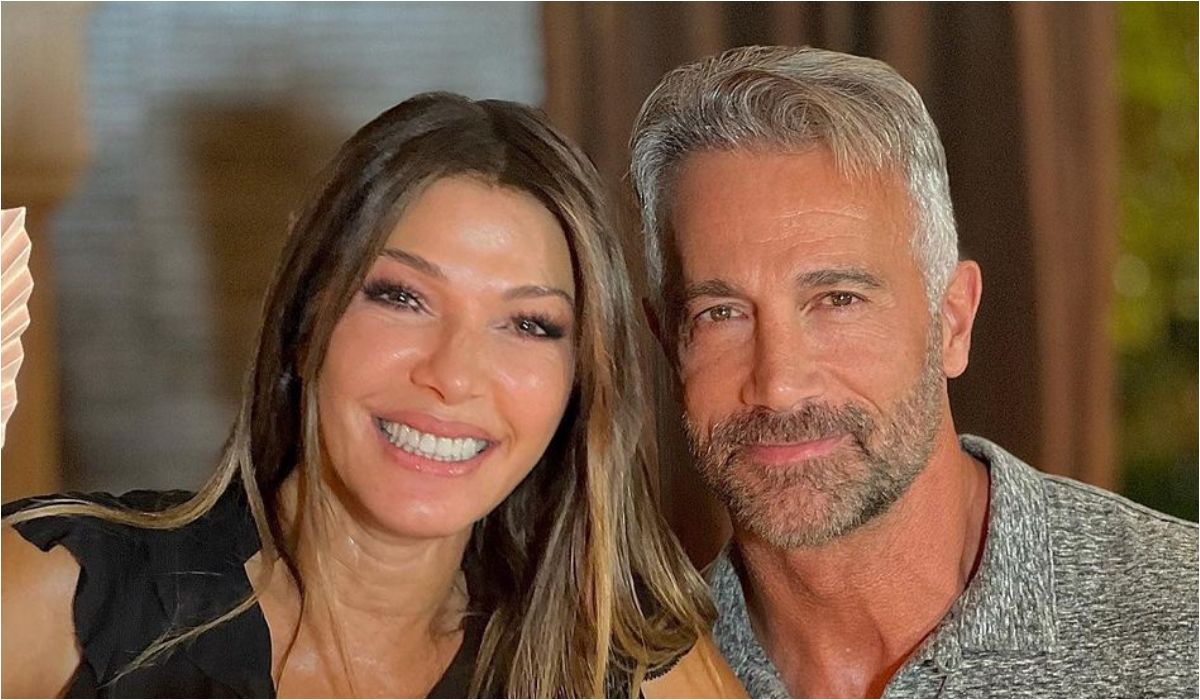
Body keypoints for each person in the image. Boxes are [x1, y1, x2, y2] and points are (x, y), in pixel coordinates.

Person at [2, 93, 746, 698]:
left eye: (528, 324)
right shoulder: (61, 597)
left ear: (579, 382)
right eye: (401, 297)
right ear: (306, 317)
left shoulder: (629, 674)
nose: (454, 375)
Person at [629, 45, 1198, 698]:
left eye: (838, 300)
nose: (778, 385)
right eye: (721, 313)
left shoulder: (1182, 628)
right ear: (667, 343)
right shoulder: (616, 680)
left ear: (952, 321)